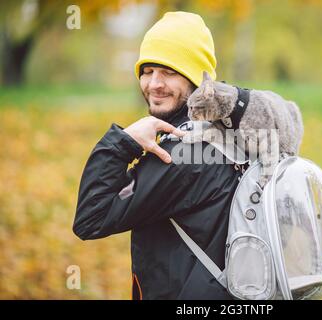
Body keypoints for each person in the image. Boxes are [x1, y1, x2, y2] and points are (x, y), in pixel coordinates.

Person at [73, 12, 241, 299]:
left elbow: (91, 217)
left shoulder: (183, 153)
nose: (154, 84)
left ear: (196, 79)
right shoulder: (227, 129)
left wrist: (123, 142)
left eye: (169, 72)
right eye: (148, 71)